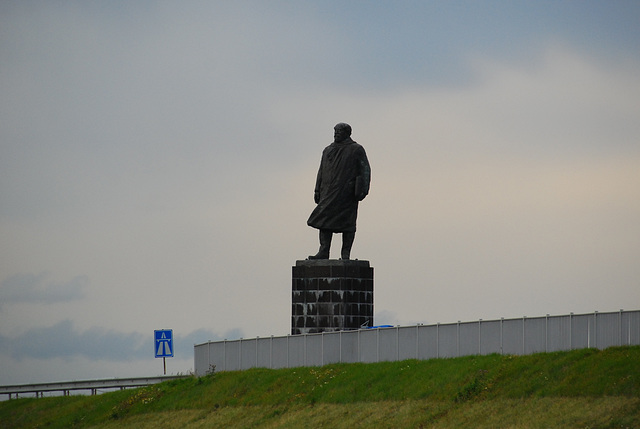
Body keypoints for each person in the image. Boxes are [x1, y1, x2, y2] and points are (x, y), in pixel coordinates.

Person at [307, 122, 371, 260]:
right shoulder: (328, 150)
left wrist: (362, 190)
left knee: (348, 224)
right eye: (335, 131)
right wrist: (317, 189)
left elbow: (365, 170)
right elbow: (321, 170)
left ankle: (345, 253)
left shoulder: (356, 149)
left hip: (346, 193)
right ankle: (324, 250)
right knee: (323, 220)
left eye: (339, 131)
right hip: (328, 192)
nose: (336, 134)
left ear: (347, 133)